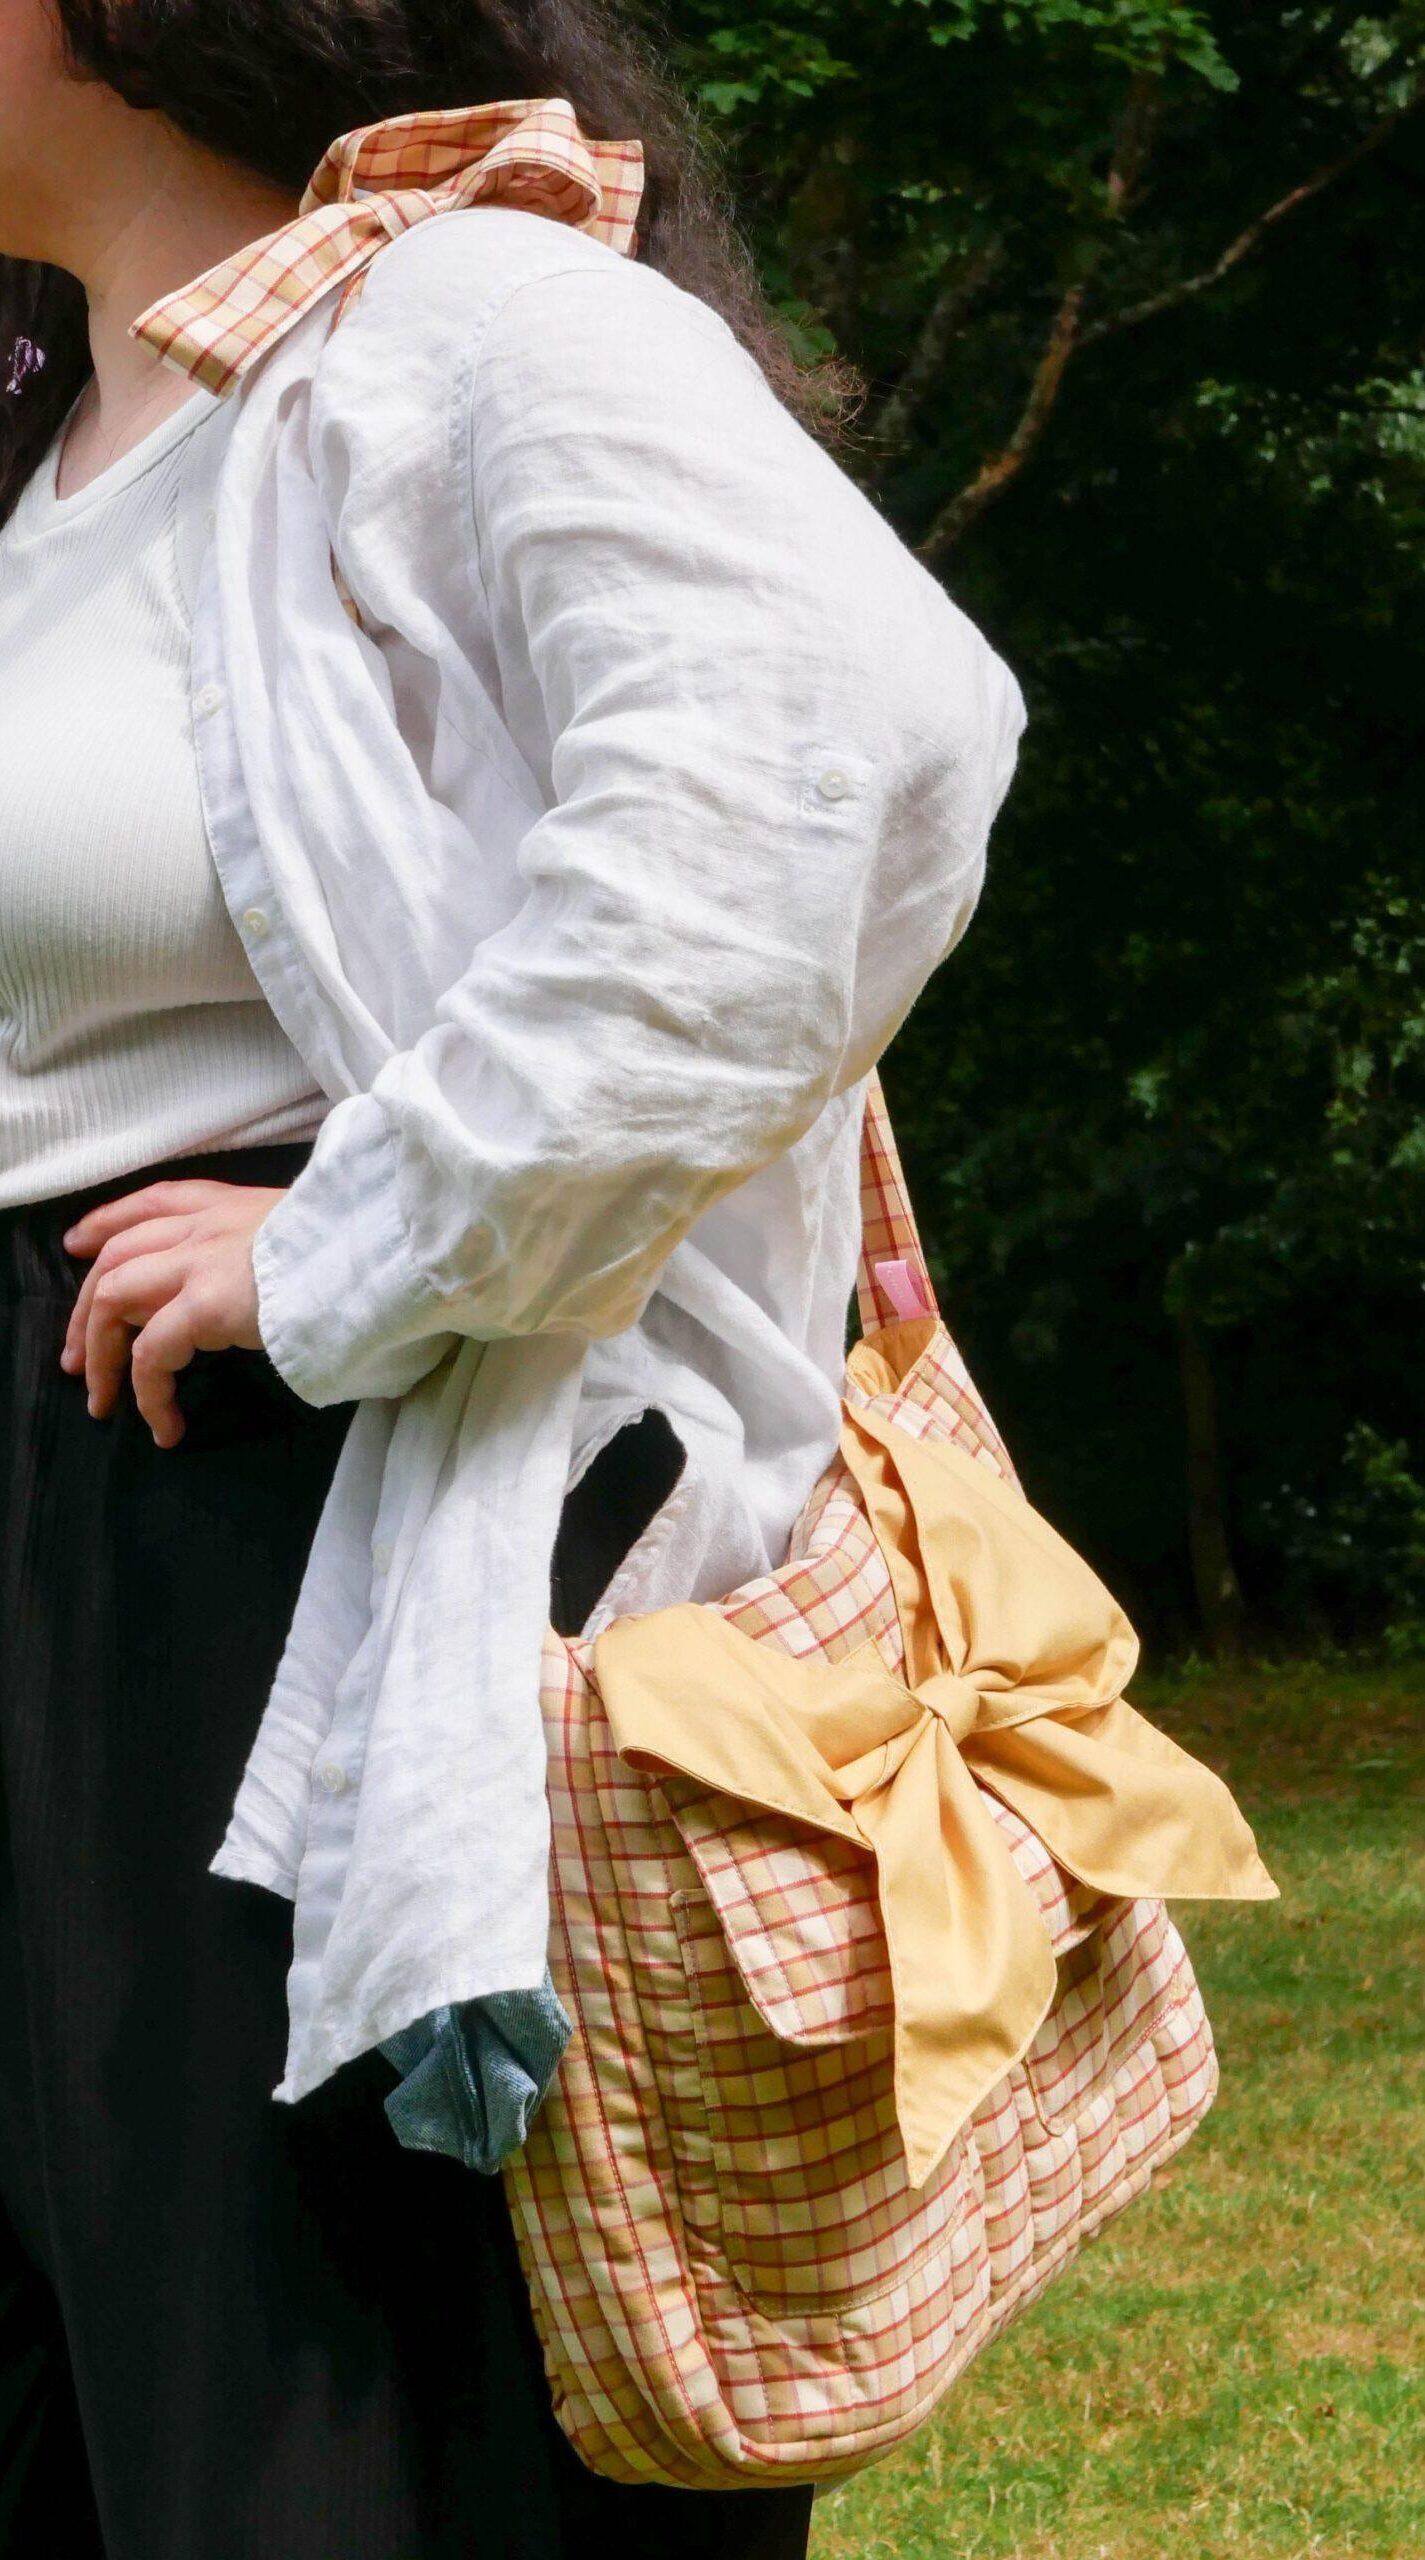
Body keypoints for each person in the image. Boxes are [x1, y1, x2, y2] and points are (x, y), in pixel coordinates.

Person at [0, 3, 1026, 2553]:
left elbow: (846, 748)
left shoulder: (465, 319)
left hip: (300, 1520)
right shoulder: (65, 437)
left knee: (342, 2450)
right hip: (68, 1522)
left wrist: (362, 1235)